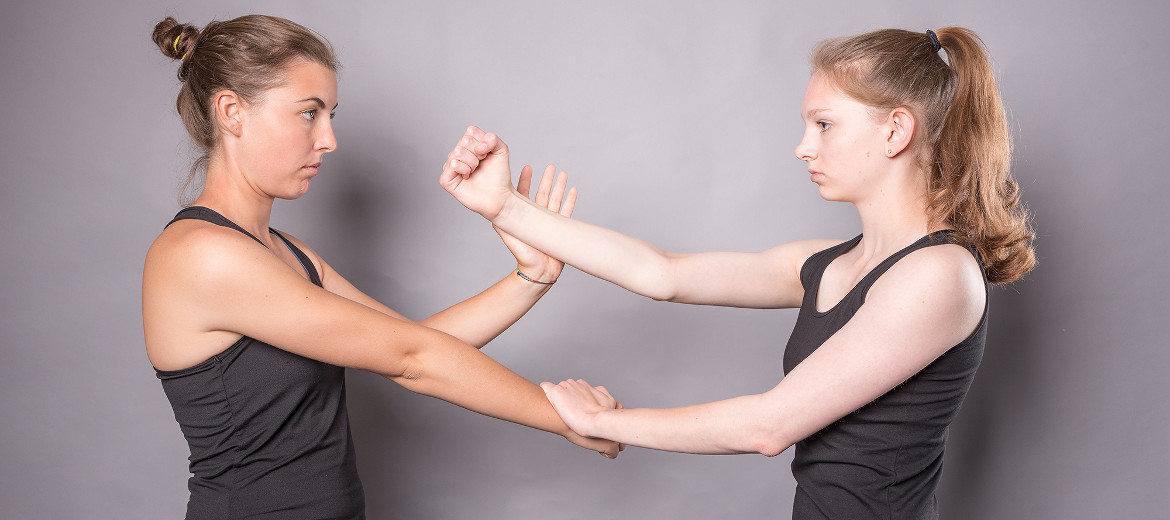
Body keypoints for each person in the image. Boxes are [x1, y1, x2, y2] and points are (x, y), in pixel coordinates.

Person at [440, 27, 1035, 519]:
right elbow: (664, 274)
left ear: (896, 131)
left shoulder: (940, 274)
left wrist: (602, 420)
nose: (803, 146)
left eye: (823, 124)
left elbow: (769, 425)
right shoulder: (828, 262)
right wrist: (505, 207)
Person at [143, 15, 620, 520]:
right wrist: (570, 418)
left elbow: (414, 340)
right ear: (232, 112)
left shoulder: (285, 252)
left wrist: (532, 276)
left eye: (330, 115)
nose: (328, 139)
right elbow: (411, 357)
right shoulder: (203, 255)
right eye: (309, 113)